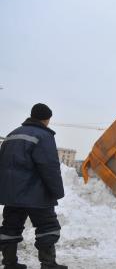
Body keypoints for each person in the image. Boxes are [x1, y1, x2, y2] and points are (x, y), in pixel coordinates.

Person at [0, 103, 67, 269]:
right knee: (48, 227)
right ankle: (48, 264)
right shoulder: (44, 136)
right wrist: (57, 191)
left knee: (10, 227)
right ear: (46, 119)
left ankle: (10, 263)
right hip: (36, 194)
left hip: (12, 194)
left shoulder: (11, 135)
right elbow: (49, 166)